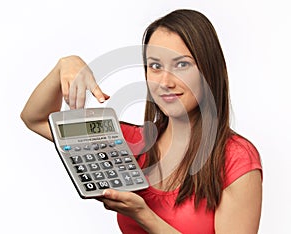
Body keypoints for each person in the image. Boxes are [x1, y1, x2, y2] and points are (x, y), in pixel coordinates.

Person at [21, 9, 262, 234]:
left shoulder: (236, 158)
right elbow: (35, 118)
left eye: (182, 64)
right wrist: (66, 63)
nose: (165, 81)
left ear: (208, 70)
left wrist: (142, 215)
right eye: (155, 66)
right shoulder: (131, 142)